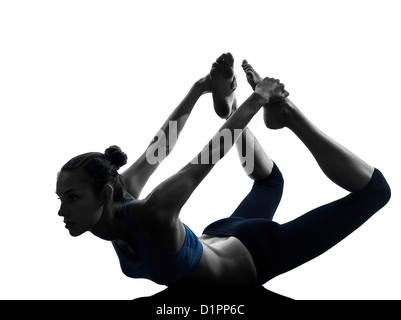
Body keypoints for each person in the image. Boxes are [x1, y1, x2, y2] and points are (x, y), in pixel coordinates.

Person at [56, 53, 390, 293]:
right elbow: (160, 147)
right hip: (222, 233)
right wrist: (198, 89)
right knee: (270, 181)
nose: (62, 210)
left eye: (72, 198)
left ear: (104, 193)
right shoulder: (117, 198)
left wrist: (259, 99)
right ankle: (229, 106)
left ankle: (288, 114)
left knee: (376, 191)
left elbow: (208, 157)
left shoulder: (152, 213)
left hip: (256, 253)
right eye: (61, 199)